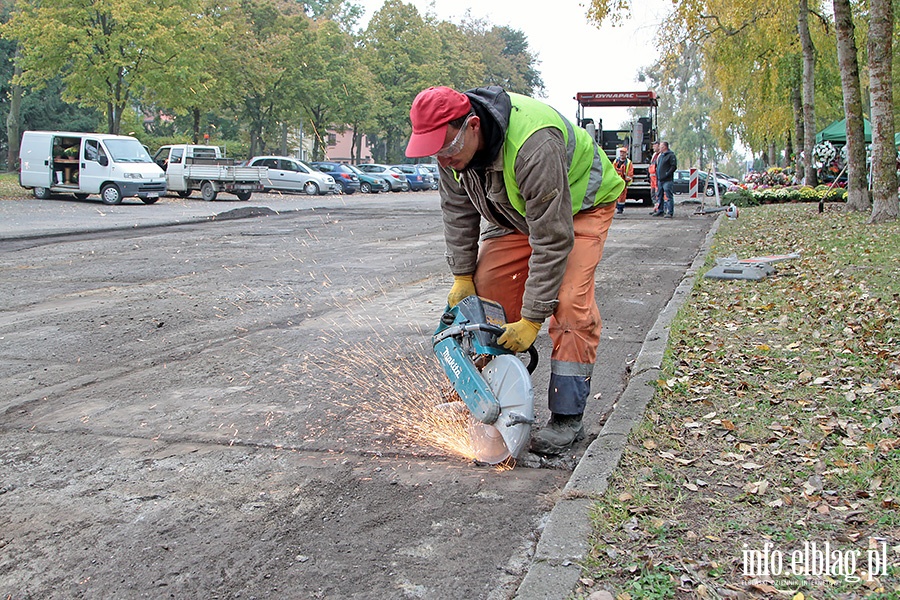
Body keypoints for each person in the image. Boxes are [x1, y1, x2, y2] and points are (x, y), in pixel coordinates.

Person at [405, 86, 625, 455]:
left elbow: (552, 240)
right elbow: (458, 214)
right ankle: (479, 394)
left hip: (579, 208)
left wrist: (531, 319)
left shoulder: (533, 144)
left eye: (447, 150)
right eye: (435, 153)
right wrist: (463, 276)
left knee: (569, 302)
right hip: (516, 215)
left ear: (473, 126)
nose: (442, 161)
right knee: (485, 294)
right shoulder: (452, 152)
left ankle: (567, 418)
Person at [655, 141, 677, 218]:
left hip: (667, 180)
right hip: (660, 180)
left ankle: (670, 212)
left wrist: (667, 174)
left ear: (664, 147)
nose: (659, 148)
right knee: (659, 195)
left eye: (660, 147)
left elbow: (673, 166)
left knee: (668, 196)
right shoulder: (661, 156)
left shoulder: (671, 156)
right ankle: (660, 210)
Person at [613, 146, 633, 214]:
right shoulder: (616, 161)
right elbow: (612, 170)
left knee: (622, 196)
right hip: (616, 181)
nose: (622, 154)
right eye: (621, 153)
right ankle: (616, 207)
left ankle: (620, 208)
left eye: (623, 153)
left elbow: (630, 173)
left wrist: (626, 180)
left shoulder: (628, 163)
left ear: (626, 154)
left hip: (623, 181)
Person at [648, 141, 661, 214]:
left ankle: (659, 208)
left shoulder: (660, 155)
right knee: (653, 193)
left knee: (657, 194)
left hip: (656, 178)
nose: (653, 147)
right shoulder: (654, 155)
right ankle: (656, 208)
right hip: (652, 178)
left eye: (654, 146)